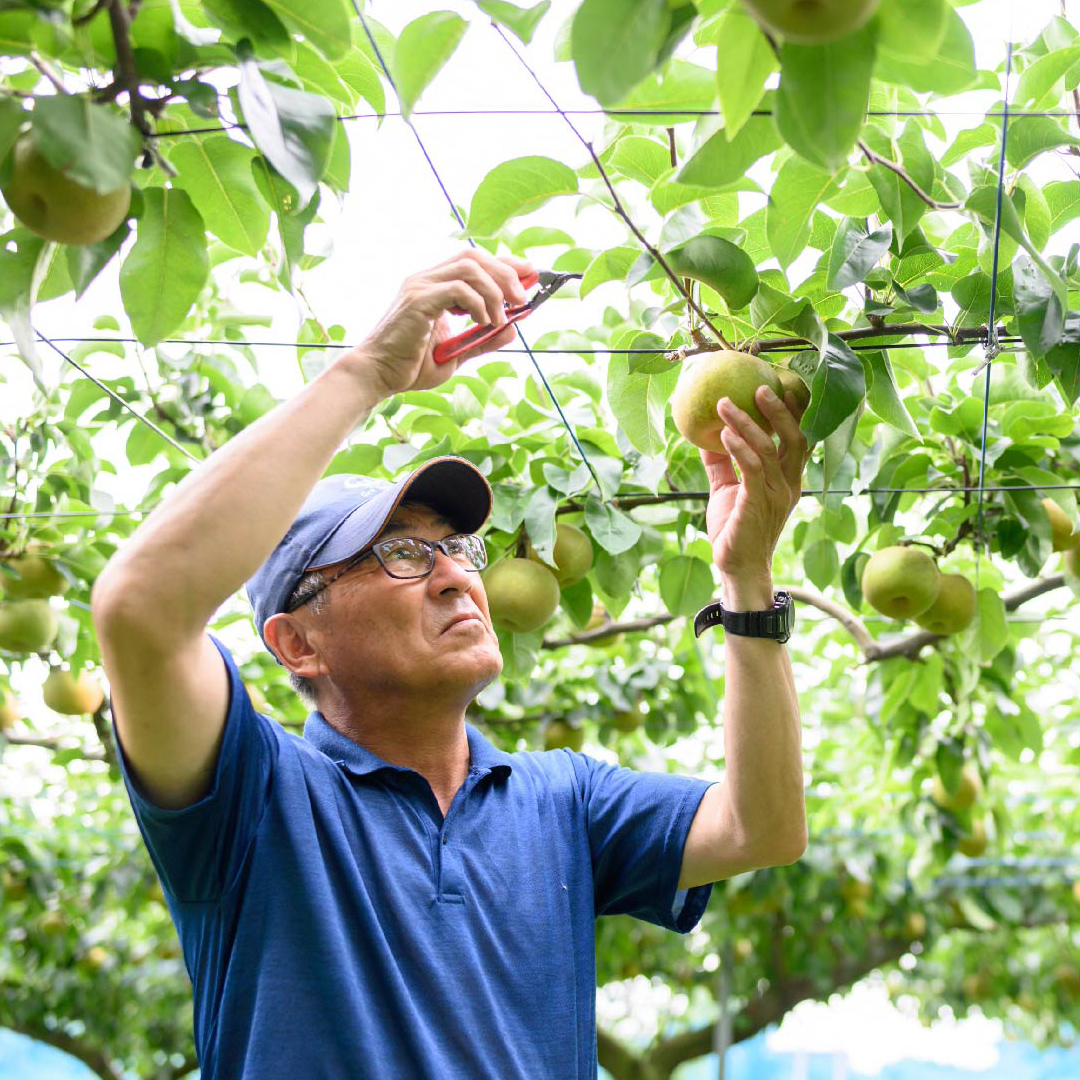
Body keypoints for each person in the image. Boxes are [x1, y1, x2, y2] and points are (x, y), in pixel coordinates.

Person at [90, 249, 809, 1080]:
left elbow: (763, 827)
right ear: (297, 643)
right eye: (399, 552)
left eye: (458, 547)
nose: (455, 573)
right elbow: (138, 607)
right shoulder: (253, 798)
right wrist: (367, 372)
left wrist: (745, 580)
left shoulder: (559, 800)